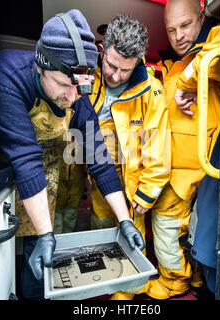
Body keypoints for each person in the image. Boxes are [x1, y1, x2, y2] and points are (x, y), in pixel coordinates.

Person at [0, 9, 144, 300]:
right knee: (2, 251)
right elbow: (25, 158)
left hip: (40, 165)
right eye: (63, 85)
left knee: (39, 244)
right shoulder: (6, 77)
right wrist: (48, 234)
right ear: (40, 66)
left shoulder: (77, 95)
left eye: (79, 86)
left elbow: (100, 160)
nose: (73, 97)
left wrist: (125, 221)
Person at [140, 0, 220, 299]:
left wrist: (189, 83)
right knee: (191, 230)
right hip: (177, 165)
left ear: (202, 17)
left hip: (194, 167)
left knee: (165, 223)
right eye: (171, 29)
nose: (178, 36)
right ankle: (196, 277)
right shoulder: (172, 64)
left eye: (185, 25)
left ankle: (174, 280)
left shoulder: (213, 45)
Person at [88, 15, 171, 300]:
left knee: (131, 230)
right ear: (104, 48)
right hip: (95, 168)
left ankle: (129, 288)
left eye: (125, 70)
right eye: (111, 65)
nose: (115, 76)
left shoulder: (151, 90)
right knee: (100, 223)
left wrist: (148, 191)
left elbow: (157, 147)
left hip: (132, 175)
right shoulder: (88, 73)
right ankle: (101, 279)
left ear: (138, 61)